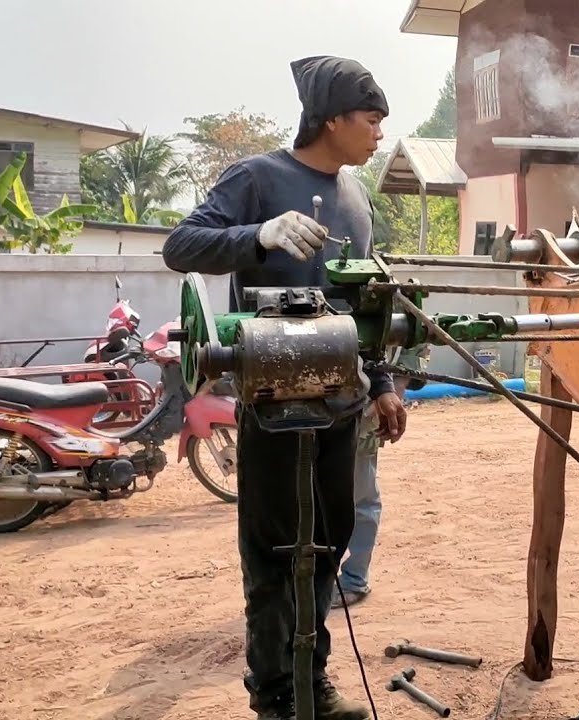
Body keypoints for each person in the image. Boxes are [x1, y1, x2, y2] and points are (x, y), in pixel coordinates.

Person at [161, 55, 408, 720]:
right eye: (370, 119)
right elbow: (182, 246)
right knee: (275, 556)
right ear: (331, 120)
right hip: (274, 406)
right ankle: (274, 695)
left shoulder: (357, 198)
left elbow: (363, 303)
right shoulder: (258, 178)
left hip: (341, 404)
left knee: (327, 547)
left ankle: (313, 682)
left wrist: (380, 381)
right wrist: (258, 236)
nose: (379, 132)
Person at [334, 345, 427, 608]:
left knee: (360, 495)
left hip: (365, 405)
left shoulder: (398, 305)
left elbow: (410, 343)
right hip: (320, 402)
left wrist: (390, 391)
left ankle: (354, 579)